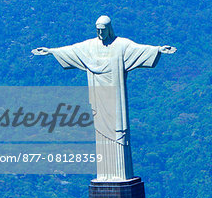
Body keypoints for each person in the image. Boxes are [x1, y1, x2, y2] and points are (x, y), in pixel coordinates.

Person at [32, 16, 176, 180]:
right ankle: (105, 175)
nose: (100, 33)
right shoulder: (90, 47)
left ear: (109, 29)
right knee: (101, 133)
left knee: (118, 132)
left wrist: (158, 49)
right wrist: (51, 51)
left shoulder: (121, 45)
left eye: (103, 30)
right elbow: (72, 50)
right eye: (98, 30)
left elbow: (140, 50)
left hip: (115, 98)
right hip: (98, 97)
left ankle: (120, 175)